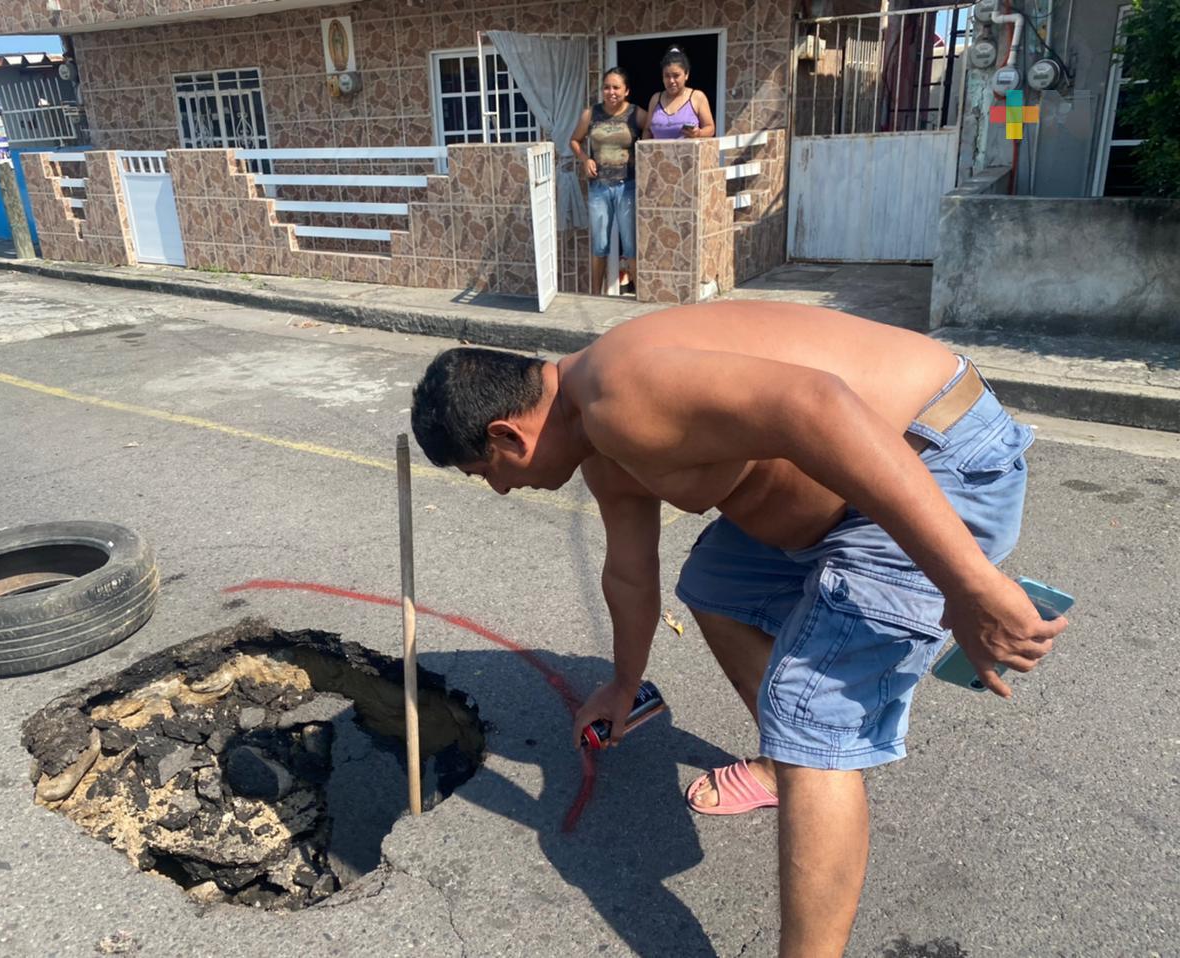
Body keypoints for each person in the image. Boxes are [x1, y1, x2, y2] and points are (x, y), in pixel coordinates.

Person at [409, 301, 1067, 957]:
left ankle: (804, 774)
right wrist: (622, 683)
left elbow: (817, 404)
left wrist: (969, 585)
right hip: (847, 496)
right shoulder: (599, 440)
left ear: (506, 438)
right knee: (716, 586)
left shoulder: (620, 395)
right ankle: (789, 769)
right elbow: (632, 574)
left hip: (934, 460)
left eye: (485, 475)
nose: (498, 491)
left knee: (808, 710)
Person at [570, 68, 648, 296]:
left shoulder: (636, 113)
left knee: (630, 243)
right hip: (599, 187)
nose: (610, 92)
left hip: (628, 186)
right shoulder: (590, 114)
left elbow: (656, 127)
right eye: (606, 87)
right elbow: (574, 140)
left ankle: (641, 297)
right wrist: (585, 159)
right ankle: (596, 295)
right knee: (599, 245)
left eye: (616, 87)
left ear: (626, 91)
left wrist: (645, 153)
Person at [643, 46, 716, 140]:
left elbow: (710, 128)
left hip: (687, 154)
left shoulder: (697, 97)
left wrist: (699, 133)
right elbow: (647, 130)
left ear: (686, 74)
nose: (671, 81)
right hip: (659, 154)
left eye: (676, 75)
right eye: (667, 76)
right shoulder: (655, 99)